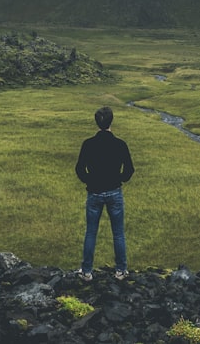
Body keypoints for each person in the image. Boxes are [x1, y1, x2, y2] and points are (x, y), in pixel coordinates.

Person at [74, 106, 134, 280]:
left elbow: (79, 168)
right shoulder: (120, 144)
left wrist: (89, 181)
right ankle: (121, 270)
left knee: (91, 232)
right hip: (114, 191)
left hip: (94, 193)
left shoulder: (88, 144)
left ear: (96, 122)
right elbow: (129, 169)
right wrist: (120, 179)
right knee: (118, 233)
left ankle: (86, 272)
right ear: (111, 121)